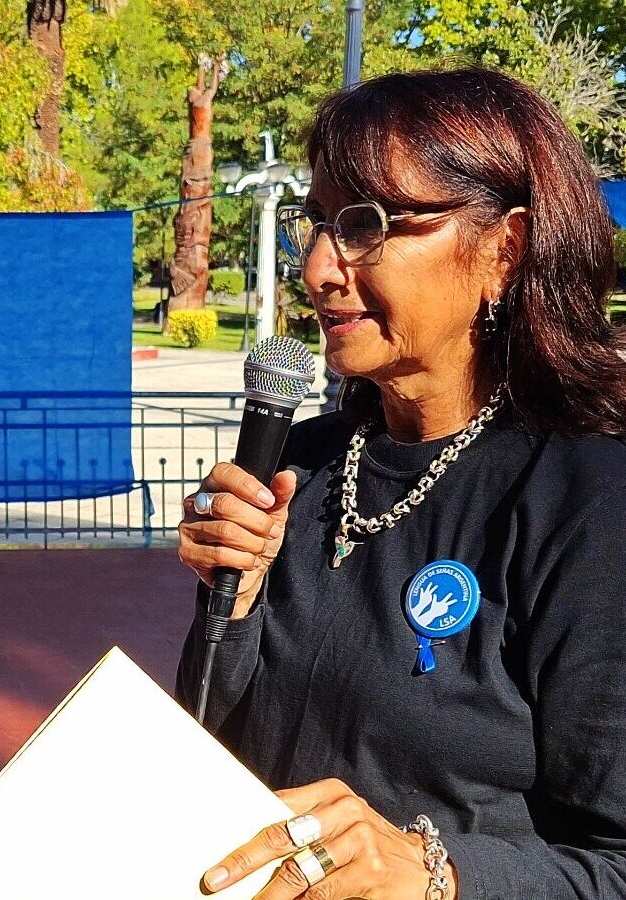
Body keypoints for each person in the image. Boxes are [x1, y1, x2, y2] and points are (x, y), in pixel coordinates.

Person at [177, 68, 626, 899]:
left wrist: (438, 875)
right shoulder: (298, 468)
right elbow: (210, 747)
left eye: (366, 224)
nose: (318, 268)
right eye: (316, 224)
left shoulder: (592, 502)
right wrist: (226, 611)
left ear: (504, 249)